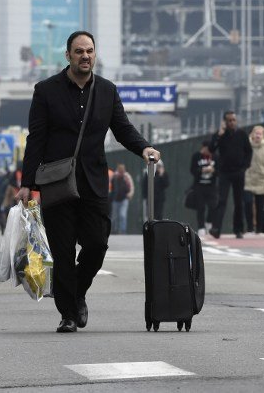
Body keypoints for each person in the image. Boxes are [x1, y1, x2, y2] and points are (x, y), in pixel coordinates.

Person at [16, 31, 159, 334]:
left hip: (94, 182)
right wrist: (28, 182)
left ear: (95, 54)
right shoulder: (46, 91)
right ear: (67, 55)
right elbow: (37, 139)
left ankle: (76, 292)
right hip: (57, 184)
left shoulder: (106, 90)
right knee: (63, 250)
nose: (85, 56)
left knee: (97, 243)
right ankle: (68, 313)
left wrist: (143, 147)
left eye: (90, 51)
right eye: (79, 51)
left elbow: (122, 128)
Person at [210, 111, 252, 239]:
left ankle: (238, 229)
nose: (232, 122)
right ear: (225, 122)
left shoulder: (242, 134)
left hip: (238, 172)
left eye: (234, 120)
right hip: (224, 173)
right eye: (229, 120)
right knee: (221, 200)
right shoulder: (220, 135)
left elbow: (248, 152)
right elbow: (212, 149)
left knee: (239, 201)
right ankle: (216, 228)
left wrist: (244, 167)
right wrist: (218, 135)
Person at [243, 125, 264, 234]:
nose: (258, 135)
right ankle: (249, 227)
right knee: (248, 203)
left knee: (260, 205)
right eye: (256, 133)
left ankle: (259, 228)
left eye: (260, 133)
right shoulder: (246, 145)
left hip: (262, 179)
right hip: (247, 178)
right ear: (252, 134)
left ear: (263, 135)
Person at [190, 139, 218, 238]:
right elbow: (192, 170)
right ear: (203, 148)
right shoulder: (196, 156)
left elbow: (219, 171)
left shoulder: (215, 156)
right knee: (200, 207)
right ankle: (201, 227)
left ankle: (209, 222)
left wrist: (213, 170)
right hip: (199, 186)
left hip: (211, 186)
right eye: (207, 149)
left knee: (213, 206)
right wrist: (202, 170)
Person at [110, 164, 135, 234]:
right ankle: (114, 230)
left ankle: (122, 231)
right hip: (115, 199)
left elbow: (131, 186)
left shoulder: (126, 177)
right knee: (114, 217)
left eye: (122, 170)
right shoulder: (114, 177)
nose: (121, 172)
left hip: (124, 199)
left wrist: (130, 195)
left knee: (122, 215)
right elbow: (111, 188)